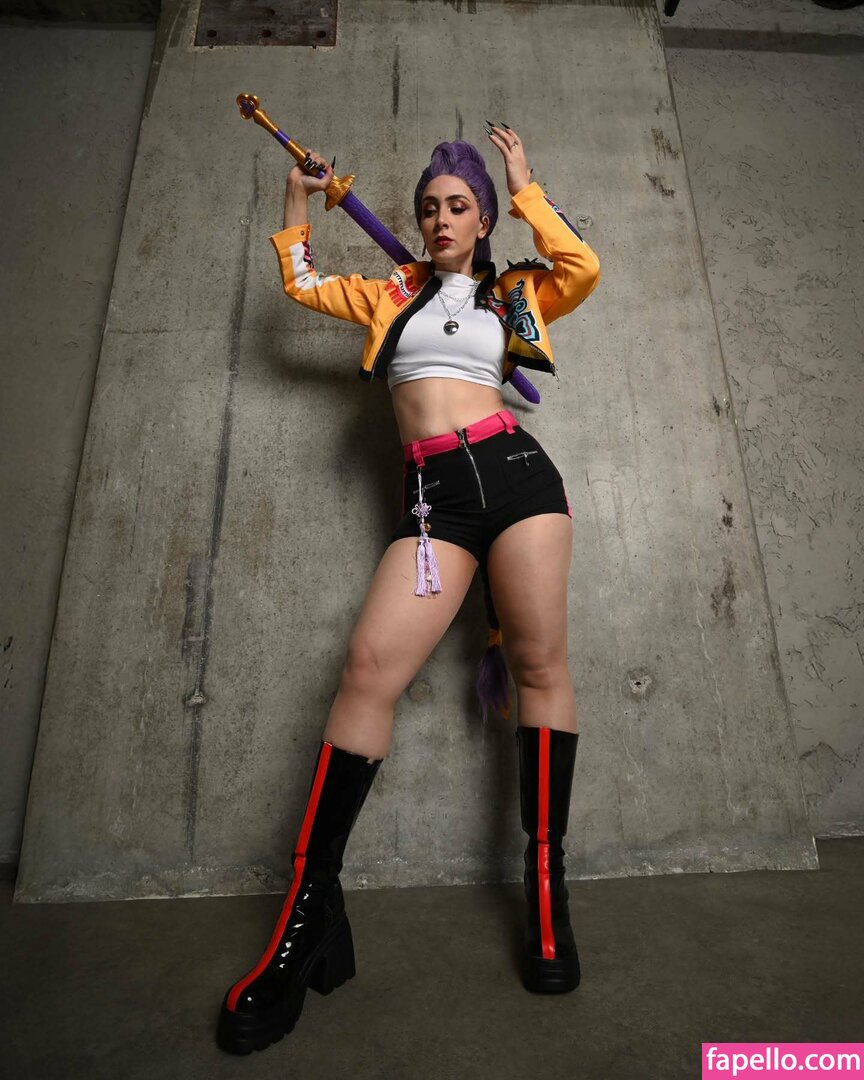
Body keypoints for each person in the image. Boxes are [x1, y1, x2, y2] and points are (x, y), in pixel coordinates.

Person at [217, 124, 601, 1055]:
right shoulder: (390, 292)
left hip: (517, 476)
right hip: (436, 496)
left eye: (457, 206)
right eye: (429, 208)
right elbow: (300, 282)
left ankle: (545, 888)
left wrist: (525, 182)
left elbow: (581, 266)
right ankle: (308, 915)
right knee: (368, 671)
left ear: (482, 220)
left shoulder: (516, 295)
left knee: (540, 667)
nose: (439, 219)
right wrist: (299, 201)